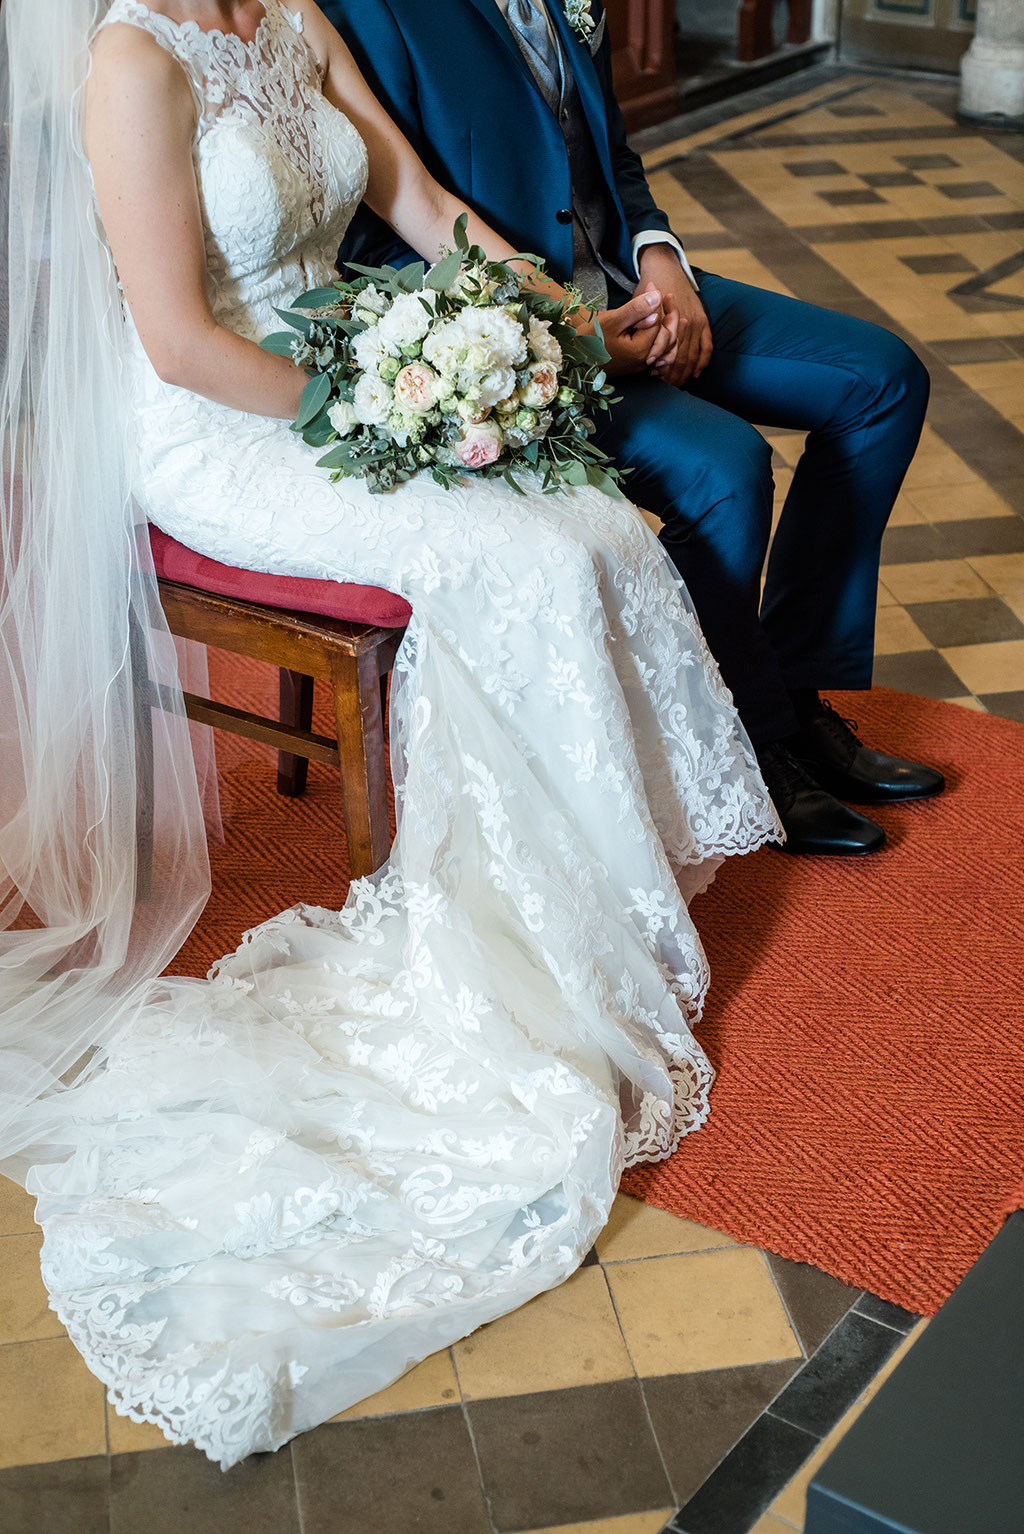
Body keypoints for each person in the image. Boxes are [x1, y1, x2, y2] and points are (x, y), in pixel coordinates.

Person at [0, 0, 781, 1468]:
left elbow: (419, 205)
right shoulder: (132, 57)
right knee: (522, 554)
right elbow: (175, 345)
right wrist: (392, 414)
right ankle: (508, 934)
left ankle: (589, 886)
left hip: (361, 373)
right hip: (229, 424)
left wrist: (540, 333)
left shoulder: (292, 14)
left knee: (600, 522)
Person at [324, 0, 945, 858]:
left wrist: (663, 261)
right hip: (511, 336)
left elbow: (609, 153)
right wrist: (565, 330)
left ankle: (799, 701)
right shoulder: (368, 11)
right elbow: (379, 229)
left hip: (629, 285)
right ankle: (753, 744)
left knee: (881, 380)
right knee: (724, 465)